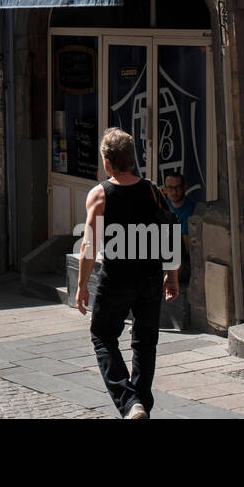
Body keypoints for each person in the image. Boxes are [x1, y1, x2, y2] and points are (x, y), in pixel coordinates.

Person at [75, 128, 179, 420]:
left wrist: (82, 285)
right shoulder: (152, 190)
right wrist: (171, 275)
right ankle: (141, 403)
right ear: (133, 160)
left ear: (107, 162)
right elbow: (169, 230)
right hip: (149, 277)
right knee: (145, 341)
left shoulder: (100, 194)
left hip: (117, 278)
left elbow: (88, 245)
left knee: (102, 335)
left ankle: (130, 401)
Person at [161, 172, 203, 284]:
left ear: (185, 188)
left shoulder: (190, 210)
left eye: (178, 188)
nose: (174, 192)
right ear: (164, 190)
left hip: (183, 262)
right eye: (170, 188)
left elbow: (186, 250)